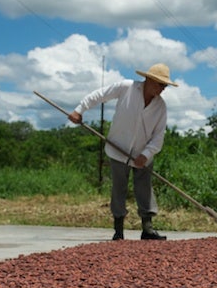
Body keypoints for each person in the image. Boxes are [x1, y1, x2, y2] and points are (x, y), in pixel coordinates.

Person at [68, 63, 178, 240]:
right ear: (149, 80)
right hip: (118, 150)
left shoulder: (160, 107)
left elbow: (158, 137)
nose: (162, 89)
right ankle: (118, 231)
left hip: (143, 155)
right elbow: (100, 95)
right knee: (119, 188)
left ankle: (147, 229)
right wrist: (79, 110)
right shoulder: (127, 88)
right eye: (160, 84)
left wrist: (146, 154)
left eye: (164, 86)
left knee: (144, 189)